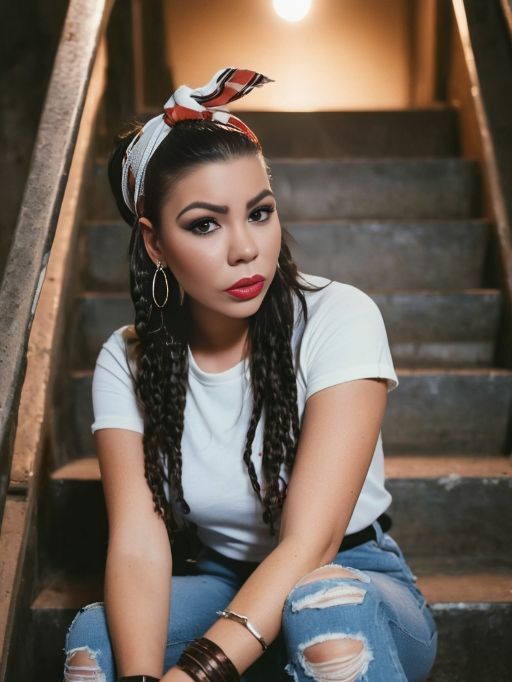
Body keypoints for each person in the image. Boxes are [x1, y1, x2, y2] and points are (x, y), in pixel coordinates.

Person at [62, 67, 438, 682]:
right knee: (94, 644)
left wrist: (194, 674)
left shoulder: (340, 316)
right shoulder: (126, 359)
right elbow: (136, 541)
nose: (244, 248)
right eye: (205, 224)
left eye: (259, 213)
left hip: (349, 575)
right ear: (154, 244)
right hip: (221, 582)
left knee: (326, 614)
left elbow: (310, 544)